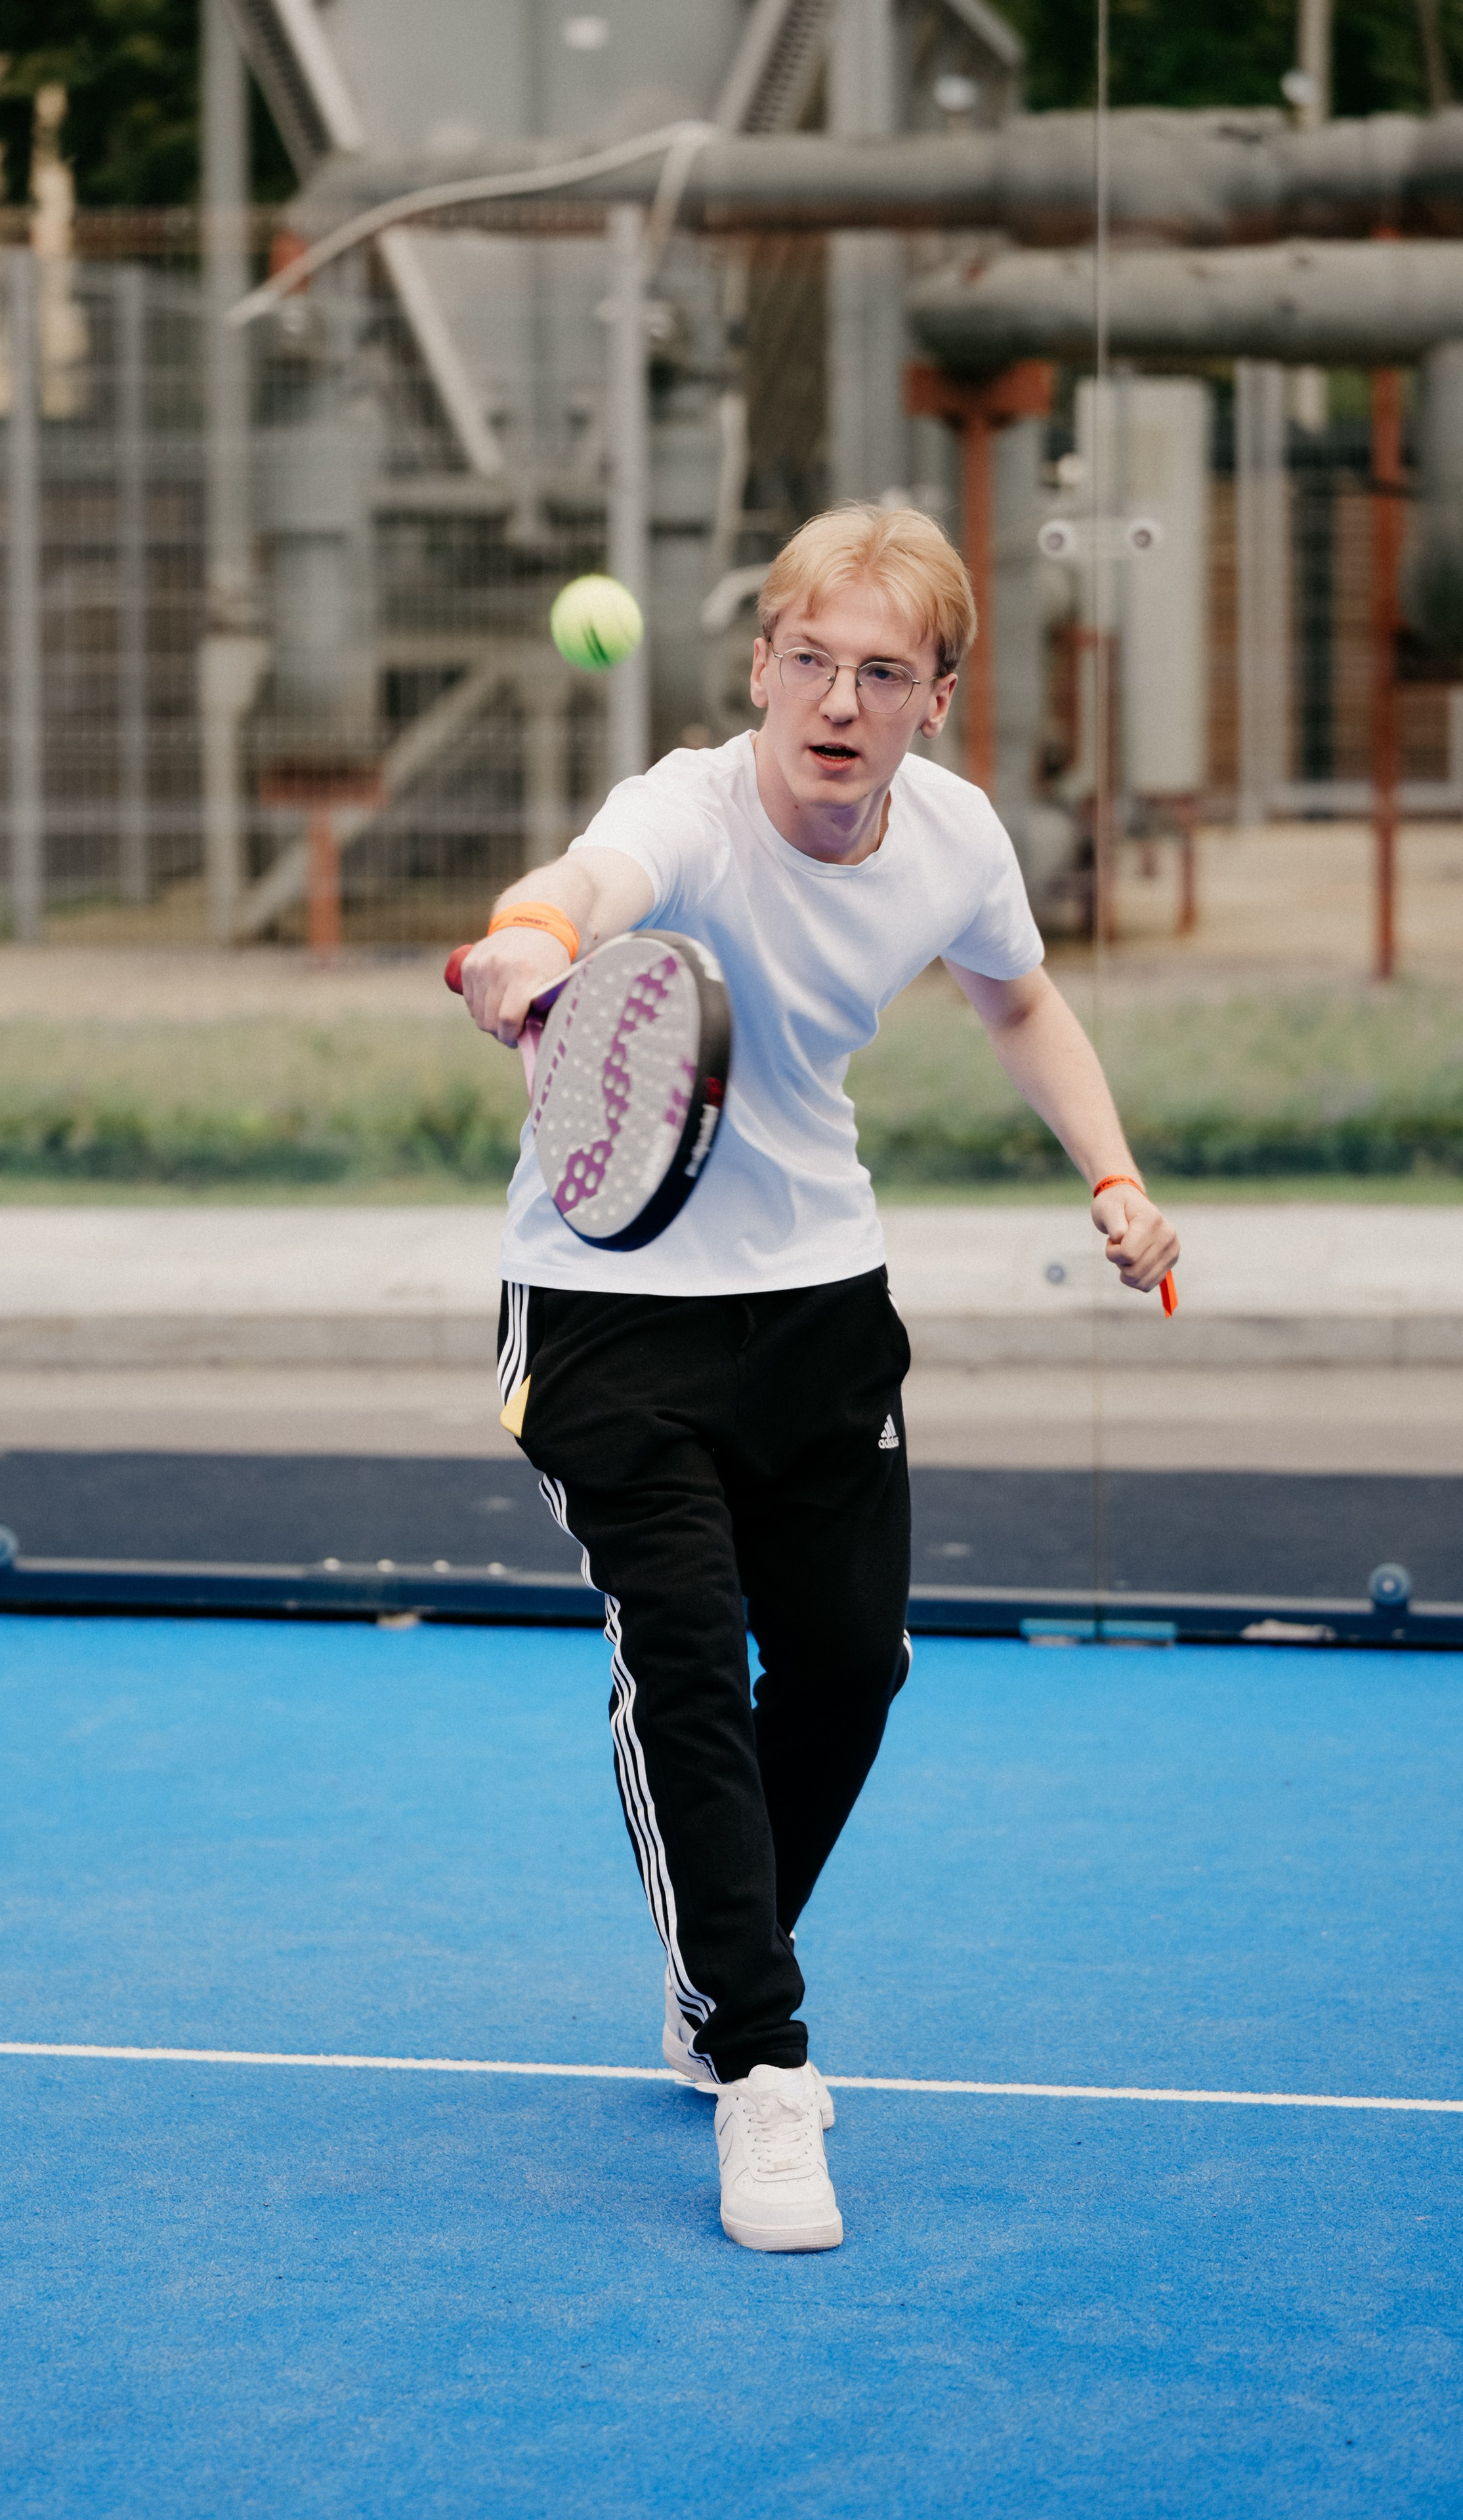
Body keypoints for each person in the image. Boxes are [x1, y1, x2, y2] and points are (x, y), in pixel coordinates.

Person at [458, 503, 1180, 2254]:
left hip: (820, 1299)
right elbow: (564, 903)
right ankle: (759, 2067)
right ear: (760, 667)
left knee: (853, 1665)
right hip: (612, 1302)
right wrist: (519, 963)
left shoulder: (952, 838)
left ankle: (720, 1949)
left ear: (938, 694)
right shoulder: (684, 811)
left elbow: (1018, 1002)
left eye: (880, 671)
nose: (836, 702)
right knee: (692, 1653)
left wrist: (1113, 1175)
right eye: (808, 662)